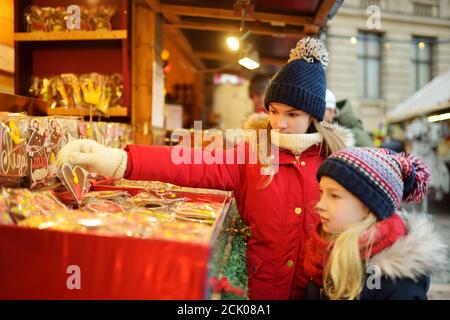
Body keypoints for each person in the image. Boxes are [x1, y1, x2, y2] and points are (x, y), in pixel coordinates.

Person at [57, 37, 354, 299]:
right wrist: (118, 160)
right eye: (273, 111)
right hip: (258, 293)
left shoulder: (335, 164)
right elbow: (188, 162)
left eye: (293, 113)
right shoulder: (252, 154)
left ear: (314, 116)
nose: (280, 123)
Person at [303, 147, 447, 300]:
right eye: (321, 192)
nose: (320, 205)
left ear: (370, 206)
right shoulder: (321, 254)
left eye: (334, 196)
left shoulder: (395, 282)